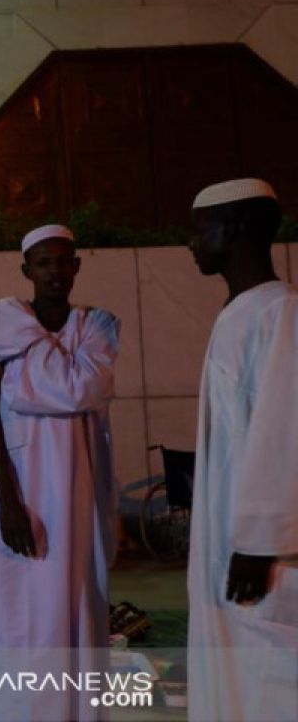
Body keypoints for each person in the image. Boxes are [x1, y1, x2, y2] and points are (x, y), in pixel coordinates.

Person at [0, 224, 120, 721]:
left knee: (72, 598)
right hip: (18, 492)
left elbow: (83, 391)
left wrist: (29, 373)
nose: (55, 273)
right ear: (26, 271)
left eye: (63, 262)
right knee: (16, 610)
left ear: (77, 265)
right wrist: (8, 503)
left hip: (77, 493)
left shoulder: (96, 325)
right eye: (44, 264)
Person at [185, 178, 298, 722]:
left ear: (232, 230)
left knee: (267, 685)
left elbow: (285, 430)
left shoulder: (281, 313)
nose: (191, 243)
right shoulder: (241, 313)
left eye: (198, 229)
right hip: (229, 543)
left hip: (261, 558)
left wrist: (259, 539)